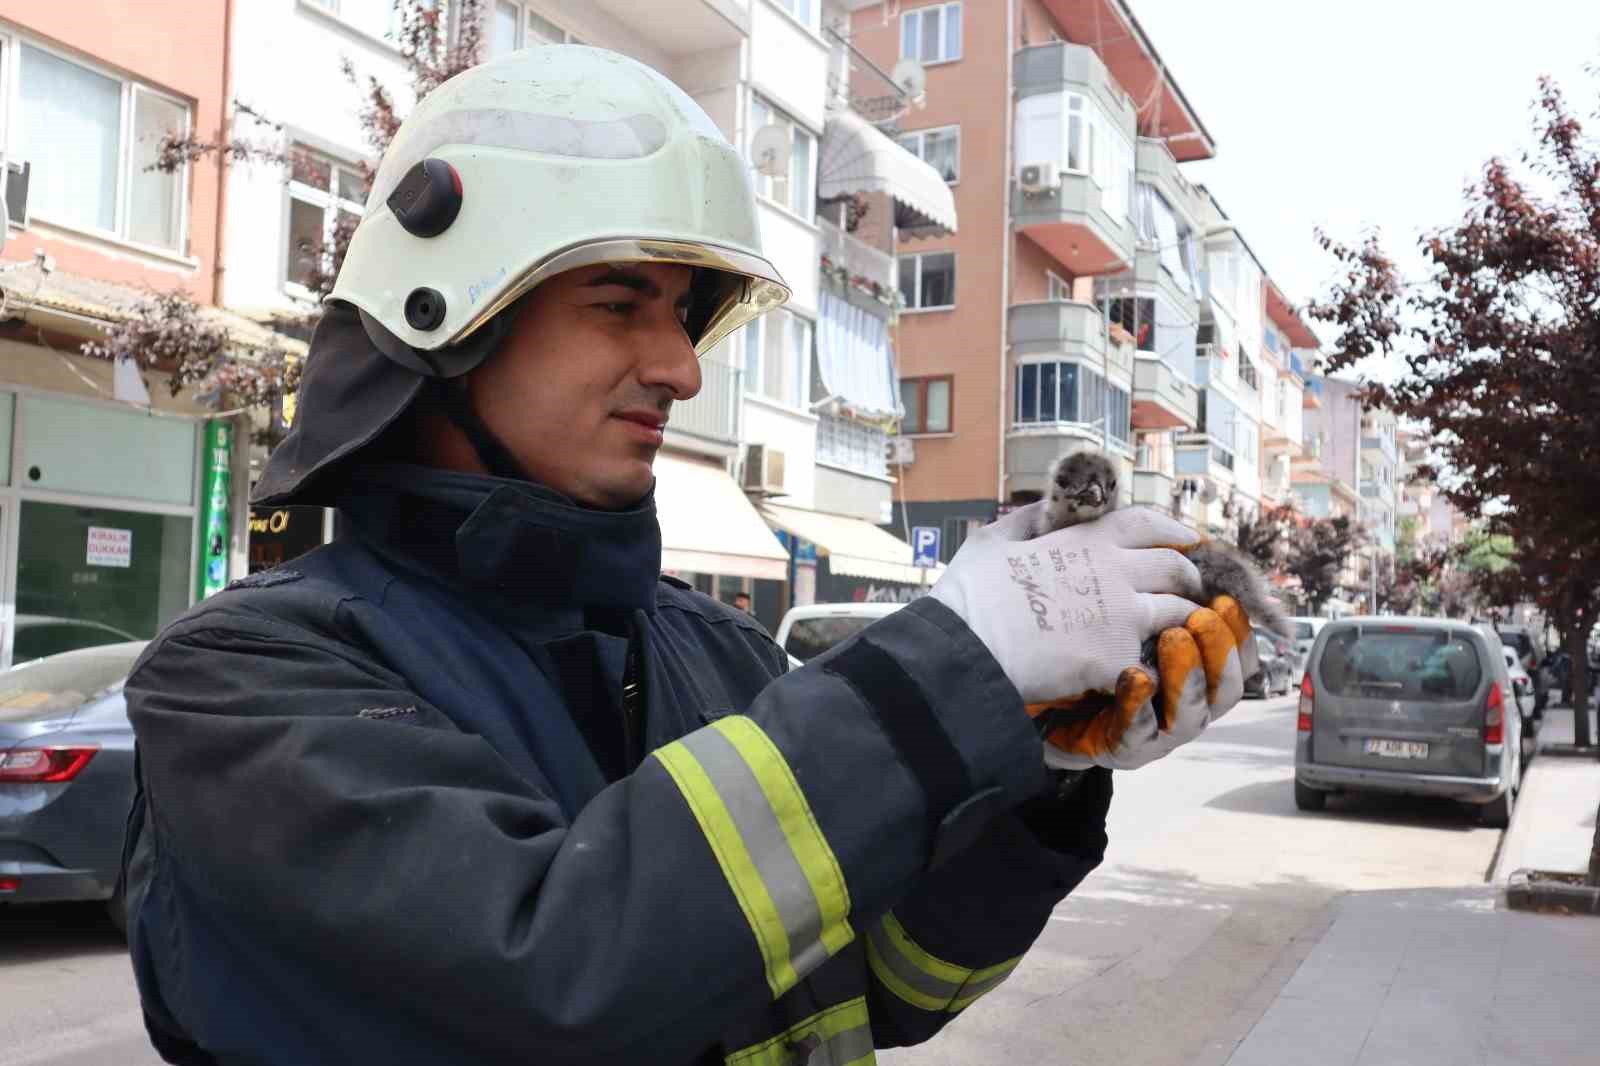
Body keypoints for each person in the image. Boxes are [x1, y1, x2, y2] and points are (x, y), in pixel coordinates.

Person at [119, 47, 1255, 1066]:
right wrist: (957, 660)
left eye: (683, 314)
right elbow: (556, 979)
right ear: (444, 322)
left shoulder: (719, 655)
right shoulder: (240, 685)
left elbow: (889, 982)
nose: (680, 366)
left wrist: (1042, 778)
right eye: (619, 303)